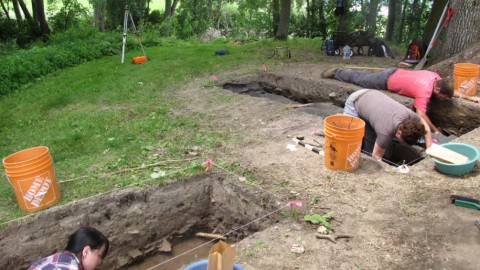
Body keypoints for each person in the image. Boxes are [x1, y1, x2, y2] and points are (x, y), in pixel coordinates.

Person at [321, 67, 480, 134]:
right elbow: (421, 115)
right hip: (386, 80)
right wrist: (435, 131)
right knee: (360, 79)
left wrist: (469, 97)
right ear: (437, 89)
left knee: (363, 77)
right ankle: (338, 72)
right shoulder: (424, 91)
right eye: (442, 97)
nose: (442, 99)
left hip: (397, 73)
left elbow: (452, 92)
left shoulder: (436, 78)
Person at [343, 89, 432, 163]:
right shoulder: (384, 132)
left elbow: (425, 127)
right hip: (356, 102)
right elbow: (376, 157)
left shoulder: (409, 115)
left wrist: (429, 149)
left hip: (373, 99)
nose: (402, 143)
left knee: (370, 141)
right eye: (402, 141)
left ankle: (366, 154)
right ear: (399, 132)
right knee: (352, 141)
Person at [28, 227, 109, 270]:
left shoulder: (52, 259)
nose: (99, 262)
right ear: (86, 251)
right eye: (99, 255)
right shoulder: (71, 268)